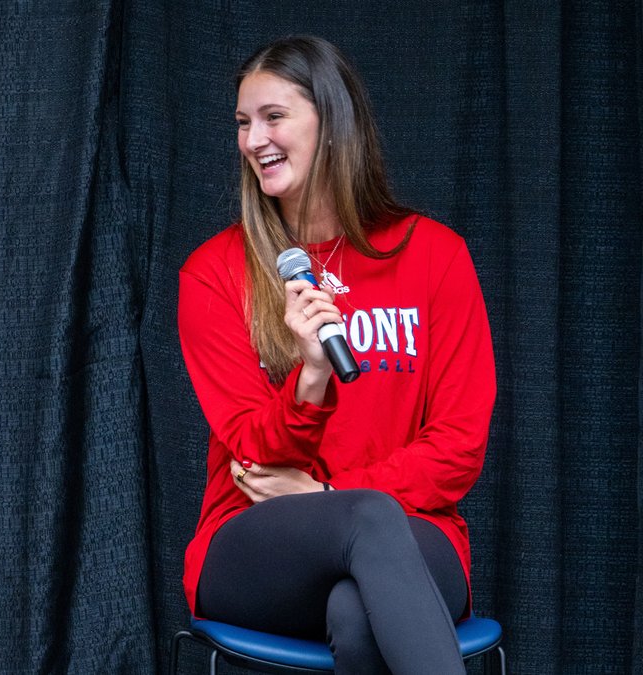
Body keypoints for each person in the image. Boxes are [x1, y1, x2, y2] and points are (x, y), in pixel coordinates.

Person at [178, 36, 495, 673]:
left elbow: (459, 445)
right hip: (257, 544)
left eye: (273, 116)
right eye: (243, 122)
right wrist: (312, 376)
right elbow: (252, 454)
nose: (252, 140)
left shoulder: (435, 255)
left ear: (332, 121)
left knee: (359, 610)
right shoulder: (215, 273)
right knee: (367, 519)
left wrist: (330, 490)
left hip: (414, 532)